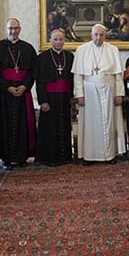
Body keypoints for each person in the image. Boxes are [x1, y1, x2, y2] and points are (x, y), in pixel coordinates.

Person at [72, 24, 126, 163]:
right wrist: (79, 94)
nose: (98, 38)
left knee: (108, 121)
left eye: (101, 35)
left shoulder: (113, 50)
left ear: (105, 35)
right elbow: (78, 75)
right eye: (96, 34)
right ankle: (89, 156)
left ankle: (109, 155)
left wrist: (119, 93)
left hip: (109, 89)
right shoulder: (81, 50)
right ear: (91, 35)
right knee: (90, 124)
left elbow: (118, 75)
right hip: (89, 90)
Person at [0, 18, 37, 170]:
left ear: (20, 29)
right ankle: (6, 159)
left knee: (23, 124)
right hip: (5, 94)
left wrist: (25, 86)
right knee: (4, 125)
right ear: (6, 29)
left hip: (23, 93)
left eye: (16, 28)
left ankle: (21, 157)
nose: (13, 31)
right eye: (10, 28)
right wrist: (7, 87)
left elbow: (32, 71)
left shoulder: (28, 48)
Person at [34, 29, 75, 166]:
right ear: (50, 40)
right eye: (55, 39)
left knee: (64, 126)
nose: (58, 42)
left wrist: (72, 97)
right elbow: (40, 81)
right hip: (49, 97)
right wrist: (43, 101)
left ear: (65, 41)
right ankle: (50, 158)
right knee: (50, 128)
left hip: (64, 98)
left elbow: (72, 80)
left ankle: (65, 156)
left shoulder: (70, 57)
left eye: (61, 39)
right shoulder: (42, 57)